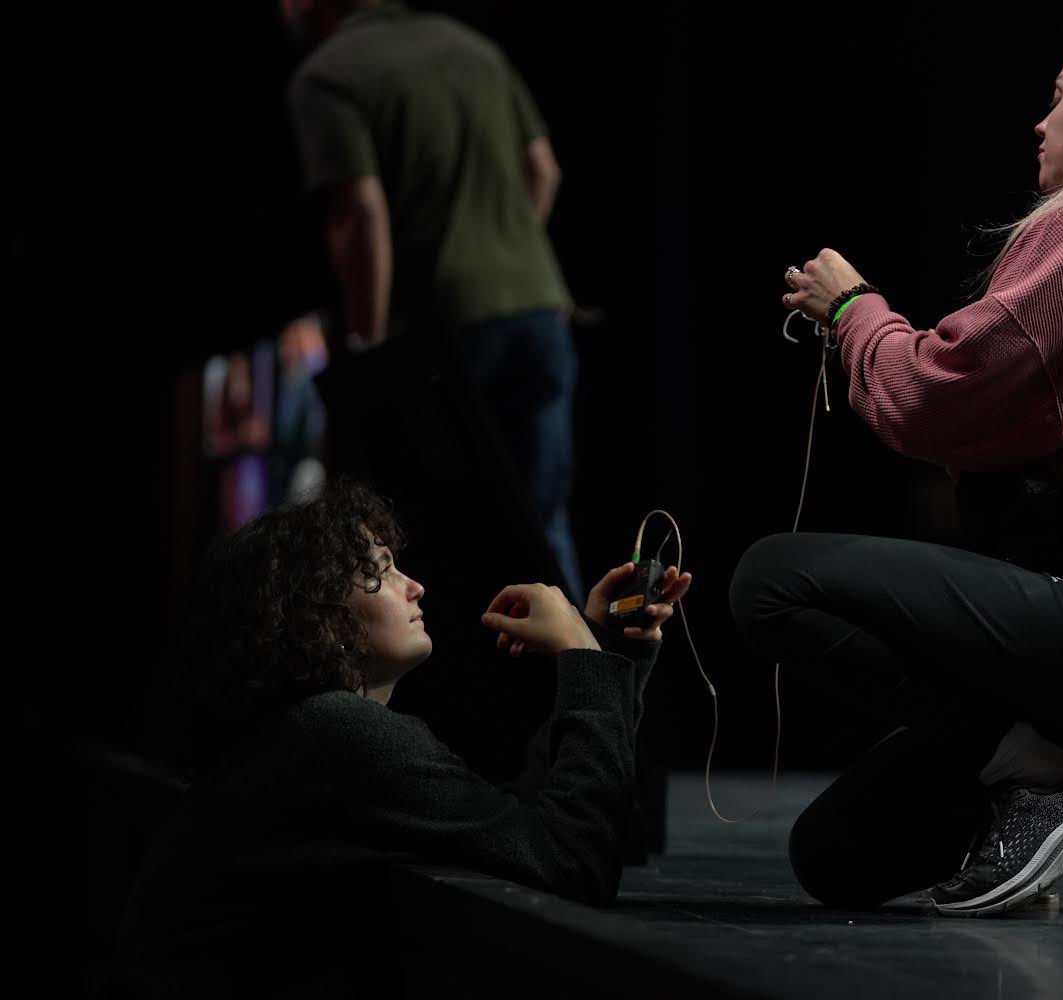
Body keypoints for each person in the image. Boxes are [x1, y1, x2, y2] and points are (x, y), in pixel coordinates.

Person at [732, 8, 1063, 917]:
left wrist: (851, 307)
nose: (1040, 119)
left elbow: (934, 397)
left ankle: (1056, 765)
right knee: (834, 859)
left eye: (1058, 94)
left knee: (767, 584)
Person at [105, 480, 691, 995]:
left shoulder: (303, 735)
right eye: (379, 571)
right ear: (311, 612)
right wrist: (580, 655)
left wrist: (609, 653)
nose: (414, 587)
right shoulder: (335, 734)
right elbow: (574, 863)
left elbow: (520, 827)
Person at [281, 0, 586, 602]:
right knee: (543, 519)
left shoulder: (327, 73)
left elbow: (360, 211)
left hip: (443, 330)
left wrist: (366, 348)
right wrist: (509, 253)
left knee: (440, 535)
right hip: (540, 309)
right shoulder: (474, 47)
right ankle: (583, 681)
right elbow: (544, 170)